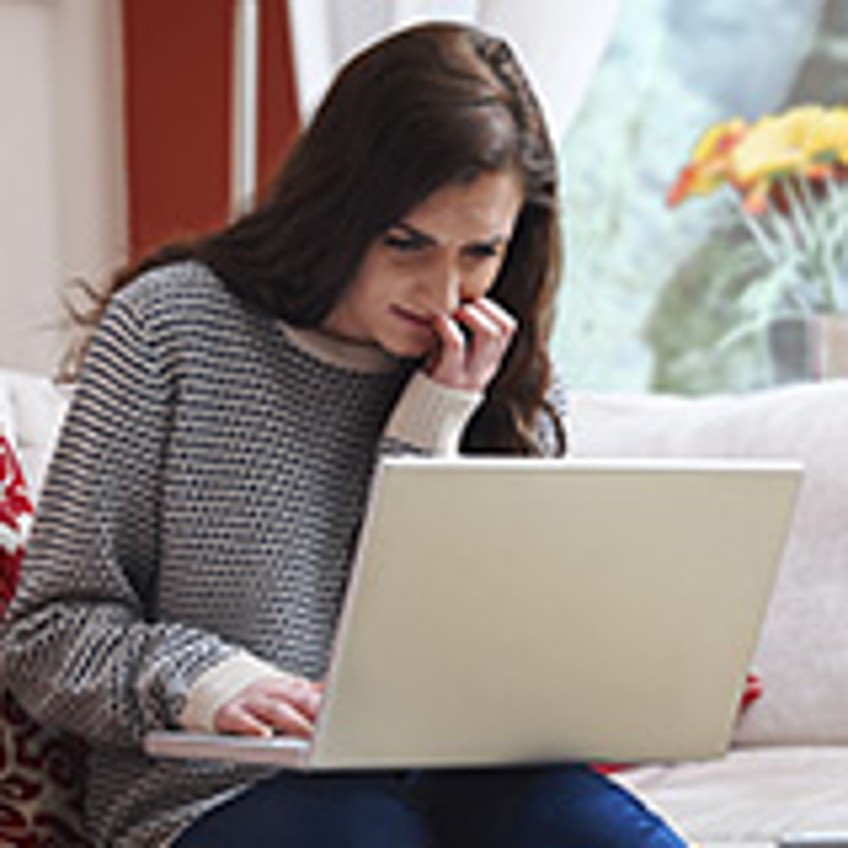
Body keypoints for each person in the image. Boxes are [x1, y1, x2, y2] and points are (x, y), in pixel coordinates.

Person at [0, 21, 686, 848]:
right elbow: (48, 637)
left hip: (465, 777)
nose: (442, 290)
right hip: (218, 792)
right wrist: (207, 680)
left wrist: (435, 422)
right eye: (406, 243)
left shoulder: (503, 375)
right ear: (339, 206)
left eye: (480, 252)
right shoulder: (171, 332)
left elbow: (430, 644)